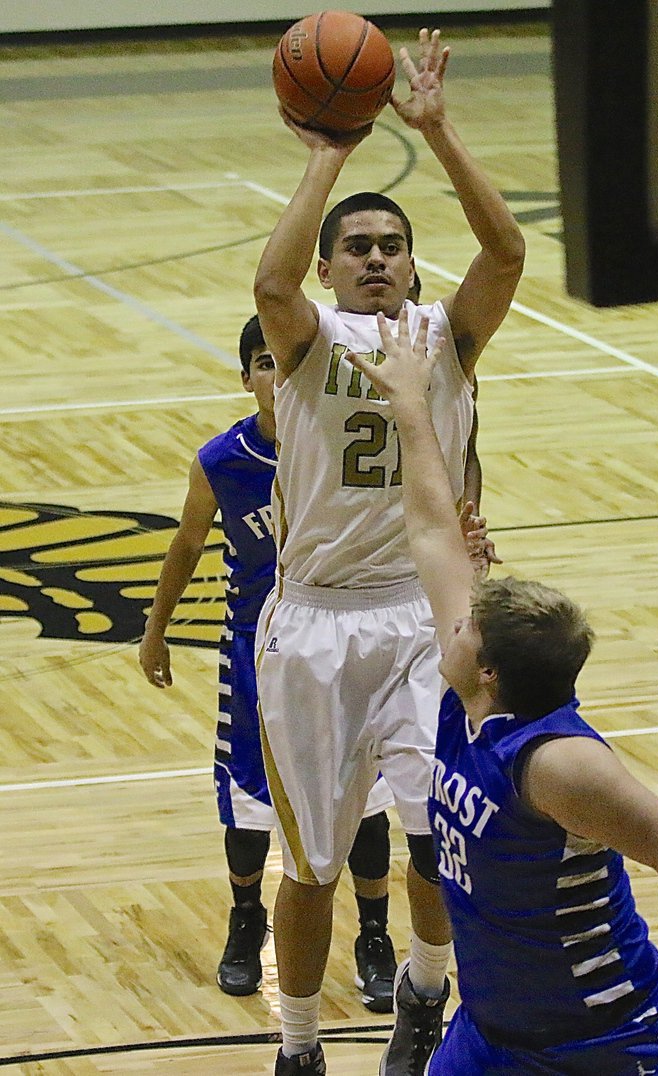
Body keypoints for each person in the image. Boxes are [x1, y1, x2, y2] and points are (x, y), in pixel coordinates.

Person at [347, 313, 658, 1076]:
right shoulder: (469, 703)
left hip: (601, 1037)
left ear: (490, 667)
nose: (451, 627)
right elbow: (432, 527)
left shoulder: (558, 763)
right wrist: (408, 402)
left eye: (466, 629)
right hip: (494, 1032)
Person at [251, 26, 523, 1076]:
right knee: (314, 863)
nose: (375, 258)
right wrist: (334, 145)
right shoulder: (308, 337)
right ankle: (302, 1043)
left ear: (413, 263)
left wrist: (438, 132)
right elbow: (270, 287)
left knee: (431, 838)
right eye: (356, 247)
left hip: (424, 615)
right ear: (331, 266)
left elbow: (506, 252)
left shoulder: (448, 334)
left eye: (391, 246)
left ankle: (422, 991)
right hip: (315, 619)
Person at [138, 315, 399, 1012]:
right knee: (249, 791)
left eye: (283, 364)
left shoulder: (345, 444)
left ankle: (374, 933)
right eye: (260, 364)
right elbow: (187, 546)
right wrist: (155, 630)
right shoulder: (222, 461)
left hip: (342, 637)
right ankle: (245, 919)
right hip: (258, 649)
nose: (274, 378)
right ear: (245, 376)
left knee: (366, 792)